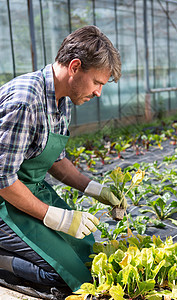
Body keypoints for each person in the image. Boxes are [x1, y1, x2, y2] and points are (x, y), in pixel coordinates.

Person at [0, 25, 125, 294]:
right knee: (64, 277)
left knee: (87, 254)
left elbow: (56, 160)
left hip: (26, 192)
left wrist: (96, 189)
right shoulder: (26, 101)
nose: (98, 93)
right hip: (4, 198)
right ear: (75, 67)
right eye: (98, 83)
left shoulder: (62, 99)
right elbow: (2, 179)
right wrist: (55, 217)